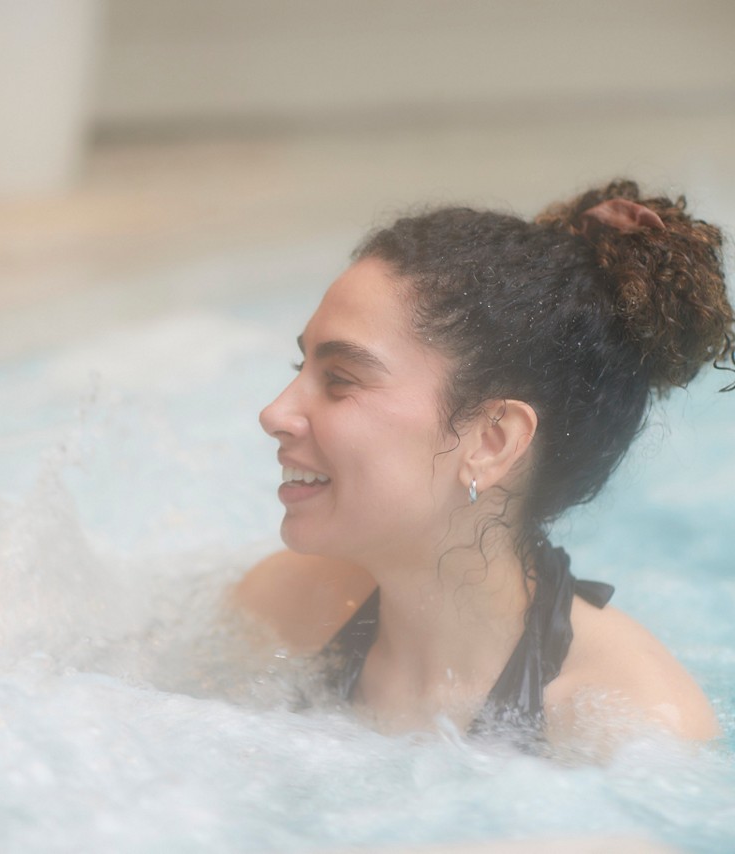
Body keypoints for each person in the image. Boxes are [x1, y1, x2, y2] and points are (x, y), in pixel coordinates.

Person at [236, 180, 732, 750]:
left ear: (492, 442)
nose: (275, 412)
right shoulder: (282, 613)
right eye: (300, 367)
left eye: (340, 379)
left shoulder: (625, 729)